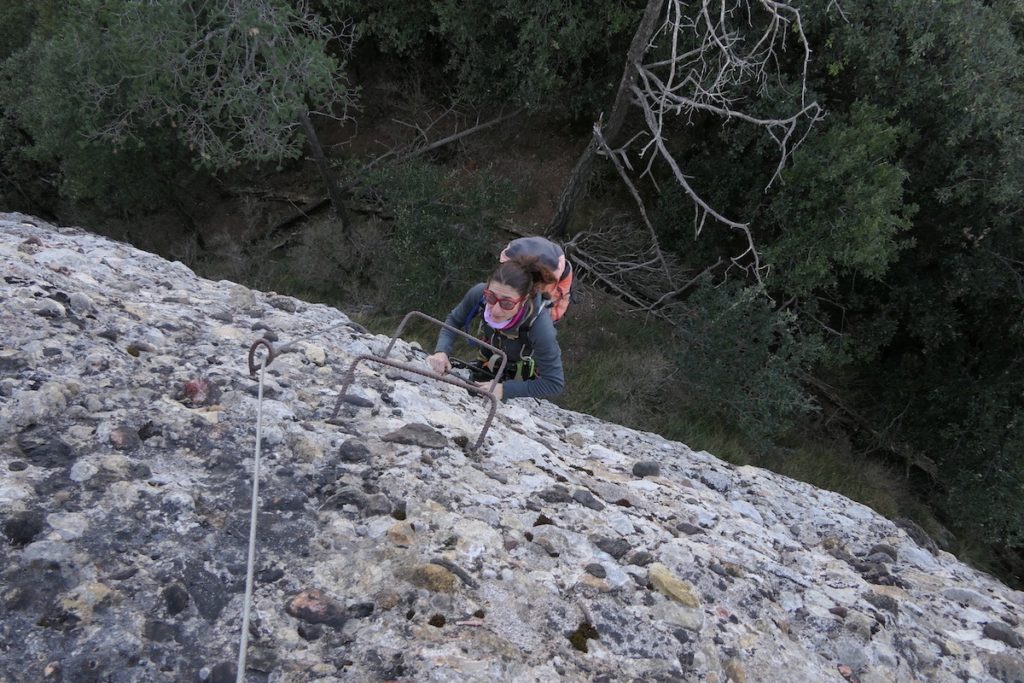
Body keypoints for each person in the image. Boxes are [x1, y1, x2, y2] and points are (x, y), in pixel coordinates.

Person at [427, 256, 565, 401]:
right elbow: (454, 321)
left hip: (521, 376)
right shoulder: (479, 293)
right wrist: (442, 351)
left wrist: (506, 389)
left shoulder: (540, 327)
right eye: (491, 298)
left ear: (524, 300)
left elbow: (554, 382)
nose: (495, 311)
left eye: (507, 303)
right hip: (489, 360)